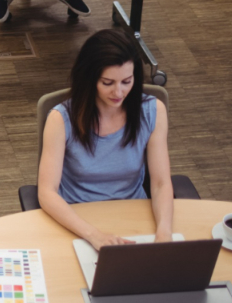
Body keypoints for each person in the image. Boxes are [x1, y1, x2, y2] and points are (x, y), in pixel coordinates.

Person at [37, 29, 174, 250]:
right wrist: (94, 235)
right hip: (77, 221)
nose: (119, 92)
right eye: (108, 83)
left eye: (127, 81)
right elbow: (46, 192)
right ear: (90, 79)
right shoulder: (60, 119)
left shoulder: (153, 111)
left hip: (134, 216)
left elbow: (160, 183)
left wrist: (164, 232)